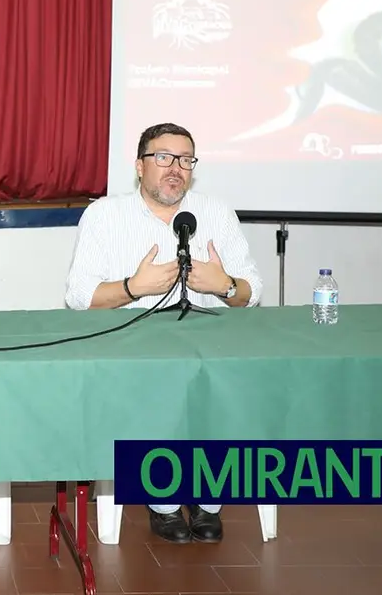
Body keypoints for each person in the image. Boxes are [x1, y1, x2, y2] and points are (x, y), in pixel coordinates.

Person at [64, 122, 262, 544]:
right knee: (155, 387)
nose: (176, 168)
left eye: (186, 160)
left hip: (207, 346)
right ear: (139, 166)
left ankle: (209, 500)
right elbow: (80, 297)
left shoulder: (216, 213)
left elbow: (251, 292)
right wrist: (135, 288)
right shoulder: (104, 214)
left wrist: (222, 285)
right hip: (132, 347)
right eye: (164, 157)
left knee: (228, 387)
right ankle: (166, 500)